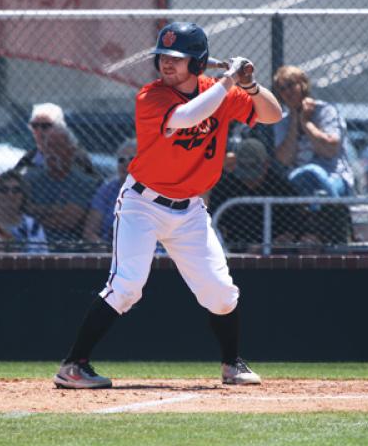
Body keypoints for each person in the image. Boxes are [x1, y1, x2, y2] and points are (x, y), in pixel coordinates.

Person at [53, 21, 282, 389]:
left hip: (189, 209)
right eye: (163, 57)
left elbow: (274, 114)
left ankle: (231, 365)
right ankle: (73, 365)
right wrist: (229, 81)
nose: (166, 64)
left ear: (198, 63)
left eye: (177, 59)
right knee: (127, 286)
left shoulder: (218, 91)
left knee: (221, 293)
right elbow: (189, 116)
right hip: (142, 204)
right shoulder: (151, 96)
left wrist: (249, 84)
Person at [272, 66, 355, 245]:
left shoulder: (326, 112)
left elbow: (330, 150)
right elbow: (284, 159)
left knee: (313, 172)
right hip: (298, 181)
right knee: (299, 178)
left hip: (333, 177)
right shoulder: (283, 121)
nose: (286, 92)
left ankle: (340, 233)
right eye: (281, 88)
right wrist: (295, 120)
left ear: (303, 85)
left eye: (290, 85)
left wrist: (306, 122)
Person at [209, 138, 306, 253]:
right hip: (234, 250)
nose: (250, 179)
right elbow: (214, 223)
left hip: (273, 251)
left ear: (266, 164)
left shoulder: (281, 187)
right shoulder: (225, 187)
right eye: (244, 168)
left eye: (253, 168)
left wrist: (274, 244)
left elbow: (295, 226)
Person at [22, 126, 98, 249]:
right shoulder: (29, 179)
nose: (51, 152)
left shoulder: (84, 182)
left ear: (71, 151)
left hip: (70, 246)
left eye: (58, 147)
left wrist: (36, 216)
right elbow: (21, 212)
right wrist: (59, 210)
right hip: (32, 243)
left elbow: (69, 220)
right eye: (48, 147)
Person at [14, 102, 97, 179]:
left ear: (59, 127)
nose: (39, 131)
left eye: (45, 126)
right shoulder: (30, 157)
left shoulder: (77, 155)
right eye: (34, 126)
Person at [83, 138, 137, 250]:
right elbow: (89, 233)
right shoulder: (107, 190)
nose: (126, 163)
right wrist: (109, 249)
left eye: (132, 158)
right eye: (121, 160)